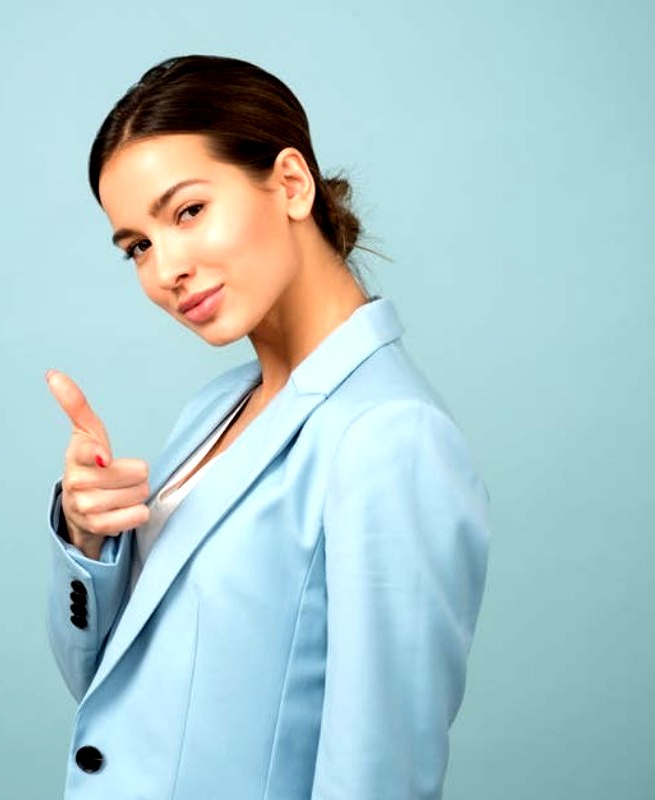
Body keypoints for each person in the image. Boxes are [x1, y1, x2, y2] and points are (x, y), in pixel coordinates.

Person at [42, 54, 490, 800]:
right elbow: (107, 697)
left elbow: (382, 775)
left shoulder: (389, 436)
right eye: (137, 247)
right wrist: (88, 541)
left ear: (290, 183)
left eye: (186, 212)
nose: (166, 269)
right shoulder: (213, 409)